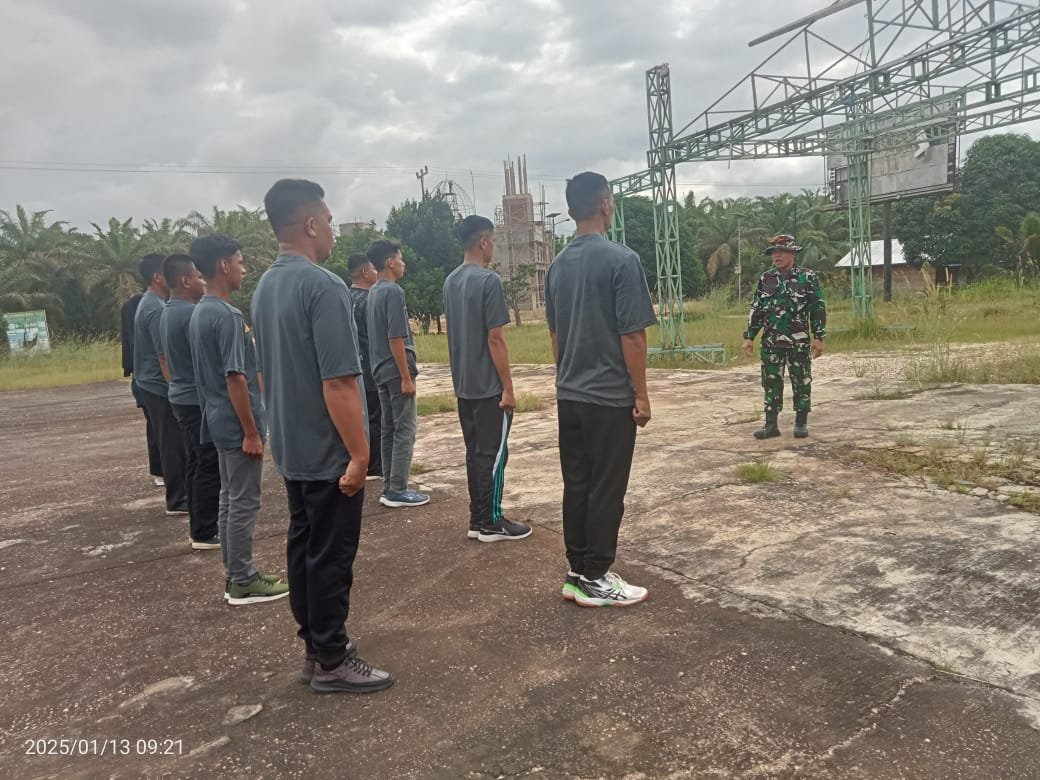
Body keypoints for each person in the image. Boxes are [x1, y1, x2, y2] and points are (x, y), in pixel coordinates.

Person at [252, 179, 393, 694]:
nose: (332, 228)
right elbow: (338, 381)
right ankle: (333, 657)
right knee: (331, 557)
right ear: (310, 224)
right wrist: (360, 452)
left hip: (291, 445)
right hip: (326, 450)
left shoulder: (266, 286)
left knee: (305, 548)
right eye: (329, 219)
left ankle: (316, 648)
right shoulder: (323, 286)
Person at [545, 171, 656, 608]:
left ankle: (577, 571)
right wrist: (641, 394)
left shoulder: (556, 267)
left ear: (571, 211)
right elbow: (633, 335)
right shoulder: (621, 260)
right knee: (607, 487)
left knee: (578, 483)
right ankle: (596, 575)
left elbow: (556, 337)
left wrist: (568, 375)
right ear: (607, 204)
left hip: (569, 394)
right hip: (608, 396)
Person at [189, 234, 289, 605]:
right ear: (223, 265)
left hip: (217, 420)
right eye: (240, 261)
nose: (244, 268)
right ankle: (243, 578)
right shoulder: (226, 316)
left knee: (230, 499)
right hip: (235, 424)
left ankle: (237, 575)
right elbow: (236, 377)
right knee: (243, 501)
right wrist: (251, 431)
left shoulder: (202, 310)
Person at [443, 215, 532, 543]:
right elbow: (496, 338)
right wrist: (508, 387)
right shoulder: (488, 281)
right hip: (488, 386)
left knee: (475, 453)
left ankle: (477, 518)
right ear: (483, 242)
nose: (494, 247)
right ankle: (492, 521)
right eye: (493, 241)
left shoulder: (450, 281)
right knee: (493, 455)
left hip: (464, 385)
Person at [159, 254, 220, 550]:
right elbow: (206, 362)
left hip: (181, 397)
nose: (202, 281)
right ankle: (206, 530)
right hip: (196, 400)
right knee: (209, 463)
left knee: (196, 463)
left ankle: (200, 526)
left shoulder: (168, 311)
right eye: (198, 276)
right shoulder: (190, 314)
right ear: (185, 280)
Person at [742, 234, 827, 439]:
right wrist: (749, 336)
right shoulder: (766, 279)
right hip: (771, 342)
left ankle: (801, 423)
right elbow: (757, 309)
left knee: (802, 381)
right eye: (773, 253)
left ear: (793, 253)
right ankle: (771, 425)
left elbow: (818, 307)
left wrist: (819, 337)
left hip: (798, 342)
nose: (776, 256)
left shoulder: (807, 277)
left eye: (781, 252)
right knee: (771, 382)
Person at [365, 239, 429, 508]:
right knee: (405, 428)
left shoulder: (373, 292)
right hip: (395, 369)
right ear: (390, 262)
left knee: (388, 428)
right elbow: (396, 337)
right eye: (401, 258)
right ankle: (398, 488)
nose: (404, 263)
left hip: (379, 368)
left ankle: (389, 485)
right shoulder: (393, 292)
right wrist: (405, 376)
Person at [132, 253, 188, 515]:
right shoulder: (155, 308)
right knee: (172, 444)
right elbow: (163, 355)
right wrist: (175, 389)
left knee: (167, 441)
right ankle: (178, 499)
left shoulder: (149, 302)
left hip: (149, 383)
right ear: (157, 277)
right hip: (158, 386)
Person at [347, 252, 383, 480]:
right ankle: (375, 466)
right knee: (377, 419)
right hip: (372, 367)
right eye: (374, 268)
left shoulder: (345, 297)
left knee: (363, 418)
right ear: (365, 272)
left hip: (355, 368)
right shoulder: (370, 300)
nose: (376, 273)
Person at [121, 290, 163, 486]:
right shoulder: (152, 307)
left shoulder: (137, 306)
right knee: (161, 429)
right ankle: (162, 472)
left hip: (140, 376)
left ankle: (159, 471)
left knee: (155, 427)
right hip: (151, 379)